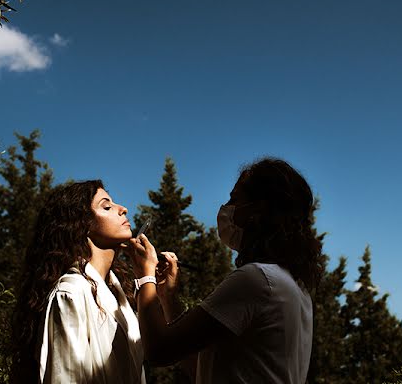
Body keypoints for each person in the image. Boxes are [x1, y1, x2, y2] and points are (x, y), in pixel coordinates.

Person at [126, 157, 323, 384]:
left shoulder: (257, 280)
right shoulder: (293, 288)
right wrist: (168, 296)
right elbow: (198, 366)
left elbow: (160, 351)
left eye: (234, 199)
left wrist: (144, 275)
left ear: (257, 210)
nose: (226, 208)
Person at [10, 180, 145, 384]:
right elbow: (65, 377)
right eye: (106, 206)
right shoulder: (71, 293)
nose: (123, 209)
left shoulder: (119, 297)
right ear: (82, 225)